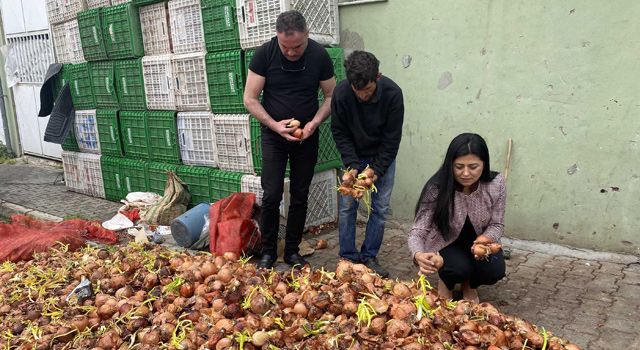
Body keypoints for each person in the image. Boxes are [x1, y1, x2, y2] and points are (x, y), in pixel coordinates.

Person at [243, 10, 336, 269]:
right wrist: (274, 125)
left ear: (307, 35)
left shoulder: (319, 55)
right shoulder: (265, 54)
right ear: (277, 37)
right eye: (286, 47)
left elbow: (330, 96)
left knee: (300, 193)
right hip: (274, 135)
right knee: (271, 194)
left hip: (306, 135)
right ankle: (268, 252)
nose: (291, 52)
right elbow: (249, 98)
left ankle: (293, 251)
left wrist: (314, 124)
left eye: (297, 46)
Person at [331, 51, 404, 278]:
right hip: (354, 155)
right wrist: (352, 165)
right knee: (347, 207)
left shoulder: (393, 94)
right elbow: (340, 132)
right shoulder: (342, 93)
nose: (362, 96)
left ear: (378, 77)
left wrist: (377, 169)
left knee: (380, 208)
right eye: (357, 91)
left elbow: (392, 140)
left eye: (368, 91)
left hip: (381, 156)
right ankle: (347, 257)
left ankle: (369, 256)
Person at [408, 133, 506, 302]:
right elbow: (418, 231)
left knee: (494, 271)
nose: (466, 173)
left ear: (484, 164)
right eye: (459, 166)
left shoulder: (495, 184)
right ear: (450, 164)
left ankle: (470, 284)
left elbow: (497, 224)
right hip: (447, 243)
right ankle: (446, 281)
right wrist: (418, 254)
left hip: (479, 243)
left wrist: (484, 239)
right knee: (457, 269)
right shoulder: (437, 187)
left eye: (473, 167)